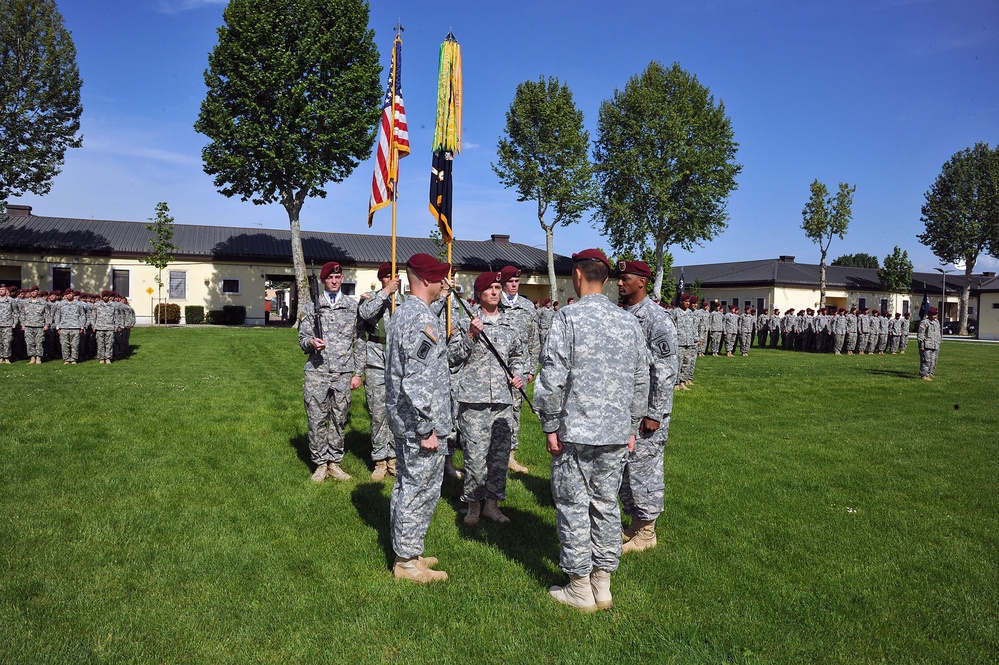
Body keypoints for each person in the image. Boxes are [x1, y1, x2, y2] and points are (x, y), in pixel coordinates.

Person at [535, 249, 649, 613]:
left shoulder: (567, 318)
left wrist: (550, 424)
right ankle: (603, 583)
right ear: (607, 279)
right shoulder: (628, 321)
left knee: (572, 506)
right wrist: (631, 425)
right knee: (605, 505)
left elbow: (552, 377)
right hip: (615, 433)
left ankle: (580, 586)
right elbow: (640, 379)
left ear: (578, 276)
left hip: (576, 433)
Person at [385, 254, 454, 583]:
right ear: (425, 280)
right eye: (440, 277)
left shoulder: (405, 312)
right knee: (419, 489)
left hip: (406, 419)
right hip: (419, 424)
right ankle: (406, 563)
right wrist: (427, 427)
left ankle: (408, 551)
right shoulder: (420, 319)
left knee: (406, 486)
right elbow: (417, 379)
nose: (444, 283)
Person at [448, 271, 526, 526]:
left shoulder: (509, 325)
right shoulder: (465, 322)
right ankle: (472, 505)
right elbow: (452, 357)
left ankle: (492, 505)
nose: (495, 292)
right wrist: (470, 335)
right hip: (474, 400)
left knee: (499, 457)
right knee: (475, 456)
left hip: (503, 400)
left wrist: (518, 375)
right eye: (489, 288)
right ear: (479, 294)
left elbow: (518, 356)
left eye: (497, 287)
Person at [617, 260, 676, 556]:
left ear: (641, 282)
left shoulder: (656, 318)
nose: (618, 283)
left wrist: (655, 412)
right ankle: (636, 522)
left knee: (645, 470)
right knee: (626, 470)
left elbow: (665, 371)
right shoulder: (622, 315)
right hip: (624, 409)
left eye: (625, 278)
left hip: (647, 413)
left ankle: (648, 531)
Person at [297, 261, 364, 482]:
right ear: (324, 280)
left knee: (339, 418)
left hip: (344, 372)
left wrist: (358, 372)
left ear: (342, 279)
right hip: (317, 371)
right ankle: (319, 463)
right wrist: (311, 343)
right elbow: (302, 339)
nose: (334, 281)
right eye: (330, 278)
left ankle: (334, 462)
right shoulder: (311, 307)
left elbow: (359, 341)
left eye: (338, 278)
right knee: (316, 418)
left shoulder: (352, 307)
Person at [358, 262, 401, 481]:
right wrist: (385, 293)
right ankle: (379, 459)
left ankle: (393, 457)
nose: (394, 280)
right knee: (378, 412)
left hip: (398, 363)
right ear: (382, 279)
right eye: (388, 277)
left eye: (396, 276)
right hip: (376, 360)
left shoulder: (404, 302)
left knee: (396, 412)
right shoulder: (370, 298)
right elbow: (365, 314)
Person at [498, 265, 540, 474]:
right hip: (497, 367)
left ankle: (510, 455)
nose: (514, 285)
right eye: (511, 282)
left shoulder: (527, 306)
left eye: (517, 281)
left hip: (519, 368)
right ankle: (493, 452)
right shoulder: (496, 303)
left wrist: (531, 369)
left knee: (515, 410)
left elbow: (534, 339)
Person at [671, 293, 696, 390]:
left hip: (689, 342)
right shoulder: (675, 312)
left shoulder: (690, 312)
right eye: (686, 301)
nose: (688, 303)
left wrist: (695, 339)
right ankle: (676, 383)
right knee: (678, 363)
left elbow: (693, 327)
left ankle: (682, 381)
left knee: (687, 362)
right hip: (679, 341)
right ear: (681, 302)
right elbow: (671, 327)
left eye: (689, 301)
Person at [55, 290, 86, 364]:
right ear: (66, 295)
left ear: (73, 295)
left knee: (75, 344)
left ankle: (74, 359)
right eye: (68, 294)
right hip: (64, 327)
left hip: (75, 327)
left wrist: (82, 326)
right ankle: (66, 359)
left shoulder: (78, 304)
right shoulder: (61, 304)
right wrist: (58, 327)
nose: (69, 295)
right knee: (64, 344)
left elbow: (82, 315)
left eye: (71, 293)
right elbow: (57, 315)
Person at [917, 307, 941, 381]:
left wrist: (938, 343)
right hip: (926, 345)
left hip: (934, 345)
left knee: (932, 361)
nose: (935, 316)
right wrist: (921, 345)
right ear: (929, 315)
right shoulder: (924, 322)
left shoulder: (936, 322)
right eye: (933, 315)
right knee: (926, 361)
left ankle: (929, 373)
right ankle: (924, 375)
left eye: (935, 315)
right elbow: (920, 335)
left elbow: (938, 333)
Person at [0, 284, 19, 363]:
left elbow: (16, 313)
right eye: (0, 289)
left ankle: (7, 357)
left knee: (7, 342)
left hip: (7, 324)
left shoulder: (11, 300)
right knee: (0, 342)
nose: (1, 291)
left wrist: (15, 322)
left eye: (3, 289)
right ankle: (1, 357)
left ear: (6, 291)